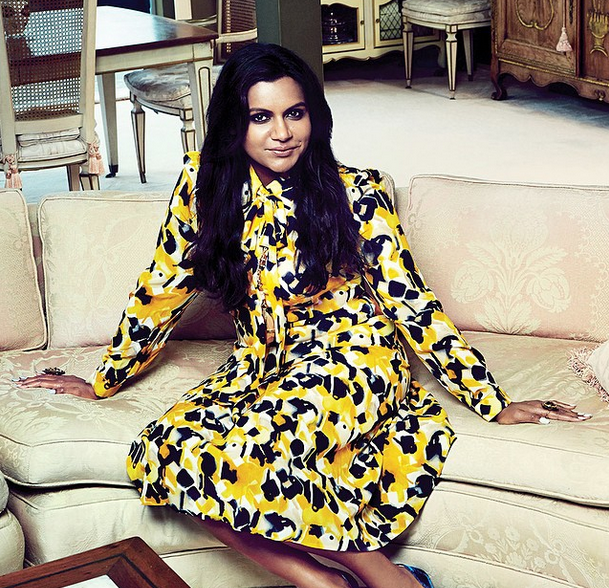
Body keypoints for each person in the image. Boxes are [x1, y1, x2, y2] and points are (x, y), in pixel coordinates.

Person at [17, 43, 592, 588]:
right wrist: (105, 378)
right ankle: (324, 582)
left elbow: (410, 299)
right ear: (234, 123)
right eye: (261, 117)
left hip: (354, 359)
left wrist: (491, 400)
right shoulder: (204, 186)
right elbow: (161, 287)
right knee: (163, 452)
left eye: (294, 113)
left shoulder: (356, 192)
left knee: (260, 453)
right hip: (261, 366)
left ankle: (388, 581)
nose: (283, 132)